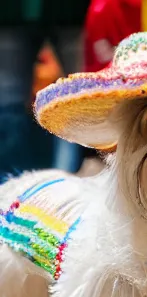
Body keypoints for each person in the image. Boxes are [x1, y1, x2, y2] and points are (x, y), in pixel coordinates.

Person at [0, 0, 90, 181]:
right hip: (14, 14)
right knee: (9, 109)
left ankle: (66, 183)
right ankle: (9, 191)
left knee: (85, 102)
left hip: (72, 13)